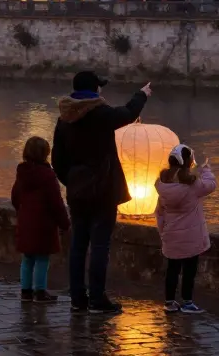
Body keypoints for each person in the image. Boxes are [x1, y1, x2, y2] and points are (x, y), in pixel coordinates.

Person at [51, 71, 150, 314]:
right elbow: (127, 113)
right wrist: (142, 94)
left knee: (77, 245)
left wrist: (73, 181)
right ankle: (97, 298)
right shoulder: (100, 113)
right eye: (100, 87)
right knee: (99, 246)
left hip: (77, 192)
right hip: (103, 191)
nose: (101, 92)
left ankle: (77, 298)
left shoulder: (64, 119)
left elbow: (57, 161)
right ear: (94, 89)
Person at [156, 144, 217, 314]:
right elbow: (211, 185)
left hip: (171, 235)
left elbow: (159, 212)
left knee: (172, 270)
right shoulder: (192, 185)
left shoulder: (162, 185)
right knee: (189, 270)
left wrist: (163, 232)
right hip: (191, 237)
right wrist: (206, 169)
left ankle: (169, 302)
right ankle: (188, 302)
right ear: (189, 162)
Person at [11, 135, 69, 302]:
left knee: (27, 257)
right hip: (44, 223)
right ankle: (40, 291)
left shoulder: (21, 173)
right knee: (42, 258)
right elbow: (56, 203)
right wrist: (64, 223)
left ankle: (26, 291)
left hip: (26, 220)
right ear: (45, 153)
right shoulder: (48, 175)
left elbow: (15, 197)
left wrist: (22, 212)